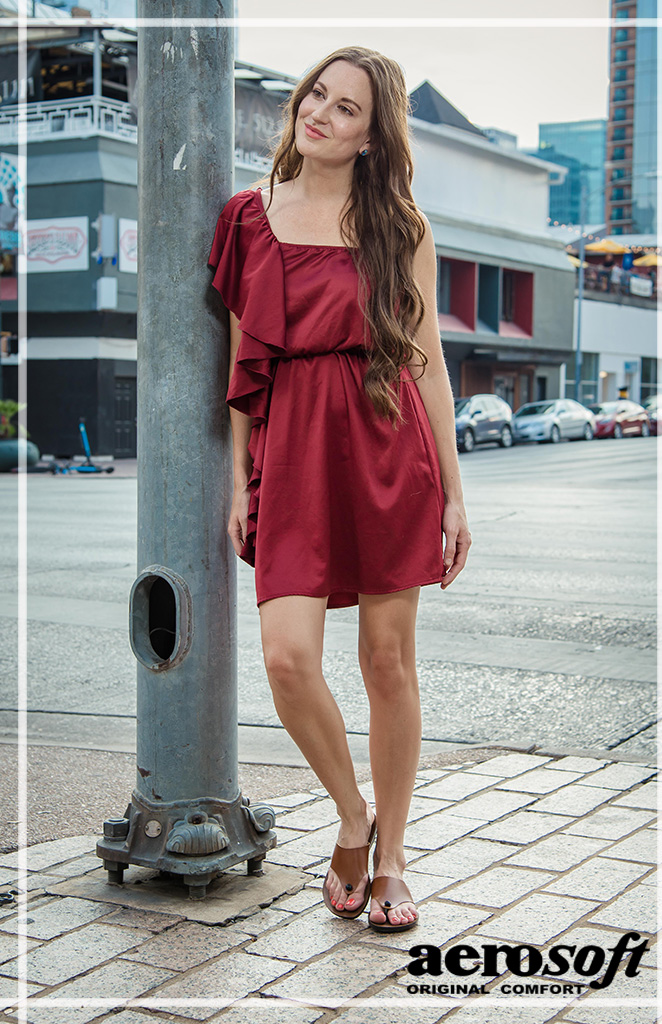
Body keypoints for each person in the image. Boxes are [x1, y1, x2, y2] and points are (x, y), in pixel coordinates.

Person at [207, 46, 471, 934]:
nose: (318, 112)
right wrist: (239, 476)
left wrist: (456, 496)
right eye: (315, 94)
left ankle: (393, 858)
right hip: (290, 455)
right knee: (287, 659)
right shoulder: (248, 217)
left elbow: (429, 362)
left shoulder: (402, 224)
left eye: (345, 108)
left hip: (388, 441)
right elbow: (241, 353)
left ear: (370, 136)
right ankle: (352, 820)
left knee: (387, 662)